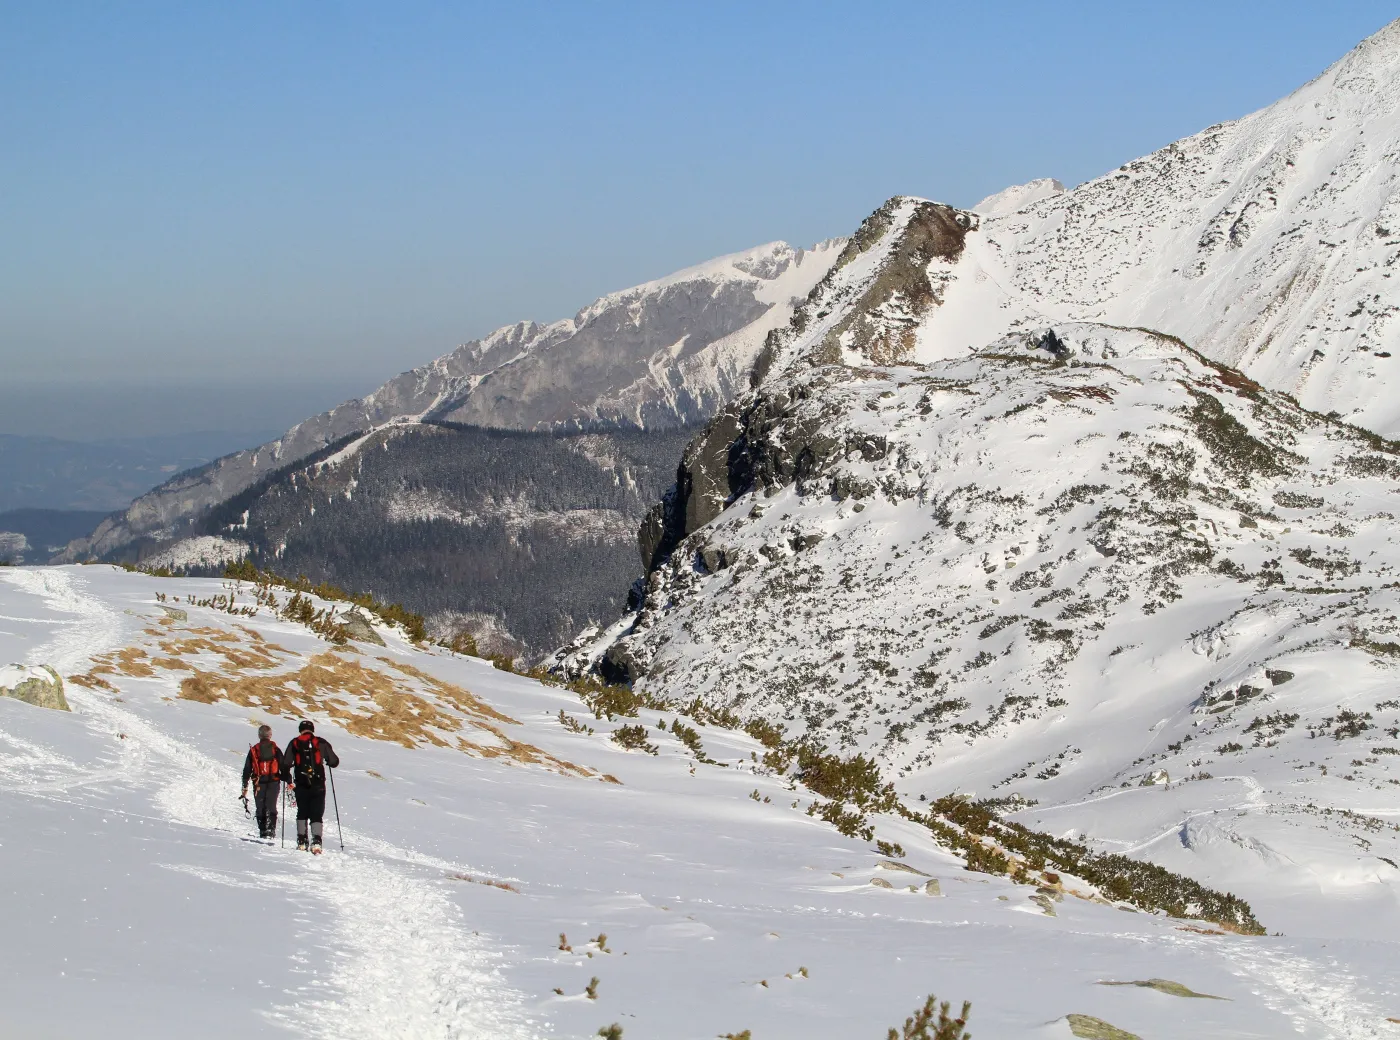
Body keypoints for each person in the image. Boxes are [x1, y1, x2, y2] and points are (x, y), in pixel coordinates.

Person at [281, 719, 340, 853]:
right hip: (318, 784)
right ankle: (316, 842)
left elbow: (285, 764)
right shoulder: (321, 742)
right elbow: (334, 761)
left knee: (302, 811)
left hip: (301, 783)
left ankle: (302, 841)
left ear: (300, 730)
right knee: (316, 813)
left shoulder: (294, 743)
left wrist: (288, 779)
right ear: (312, 729)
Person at [240, 724, 283, 839]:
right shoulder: (276, 749)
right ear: (270, 735)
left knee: (261, 806)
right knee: (271, 805)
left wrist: (245, 785)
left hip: (258, 782)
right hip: (274, 781)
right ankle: (271, 830)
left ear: (259, 735)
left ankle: (263, 830)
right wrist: (287, 779)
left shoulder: (254, 750)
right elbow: (283, 765)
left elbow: (247, 769)